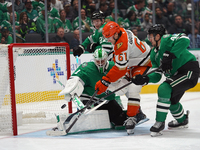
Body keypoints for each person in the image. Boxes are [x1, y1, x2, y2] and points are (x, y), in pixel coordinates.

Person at [132, 24, 199, 136]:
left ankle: (159, 122)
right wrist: (145, 78)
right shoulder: (154, 53)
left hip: (188, 71)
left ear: (158, 36)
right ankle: (182, 120)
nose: (149, 39)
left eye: (151, 36)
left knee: (164, 88)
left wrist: (170, 54)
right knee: (171, 101)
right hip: (177, 75)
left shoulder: (166, 39)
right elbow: (157, 75)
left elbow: (184, 39)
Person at [95, 21, 151, 135]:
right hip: (133, 63)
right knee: (119, 86)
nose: (108, 40)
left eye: (109, 37)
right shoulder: (123, 32)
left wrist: (105, 81)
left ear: (116, 34)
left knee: (133, 88)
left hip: (143, 63)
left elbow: (120, 69)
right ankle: (138, 110)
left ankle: (132, 117)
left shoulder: (122, 44)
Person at [57, 48, 128, 130]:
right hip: (90, 98)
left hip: (107, 99)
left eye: (103, 61)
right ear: (94, 59)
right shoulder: (87, 67)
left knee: (120, 121)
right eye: (98, 61)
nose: (100, 64)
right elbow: (75, 79)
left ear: (106, 59)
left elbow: (126, 77)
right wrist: (69, 91)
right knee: (89, 120)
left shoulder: (114, 67)